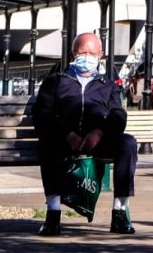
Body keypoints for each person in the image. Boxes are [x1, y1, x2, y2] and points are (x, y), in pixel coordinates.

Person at [32, 32, 139, 236]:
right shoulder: (56, 81)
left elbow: (118, 115)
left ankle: (119, 213)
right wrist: (67, 134)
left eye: (92, 53)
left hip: (99, 140)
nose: (87, 57)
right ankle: (52, 216)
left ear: (100, 55)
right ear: (74, 53)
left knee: (128, 143)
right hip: (65, 140)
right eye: (83, 52)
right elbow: (42, 115)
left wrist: (99, 132)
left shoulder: (107, 85)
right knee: (47, 143)